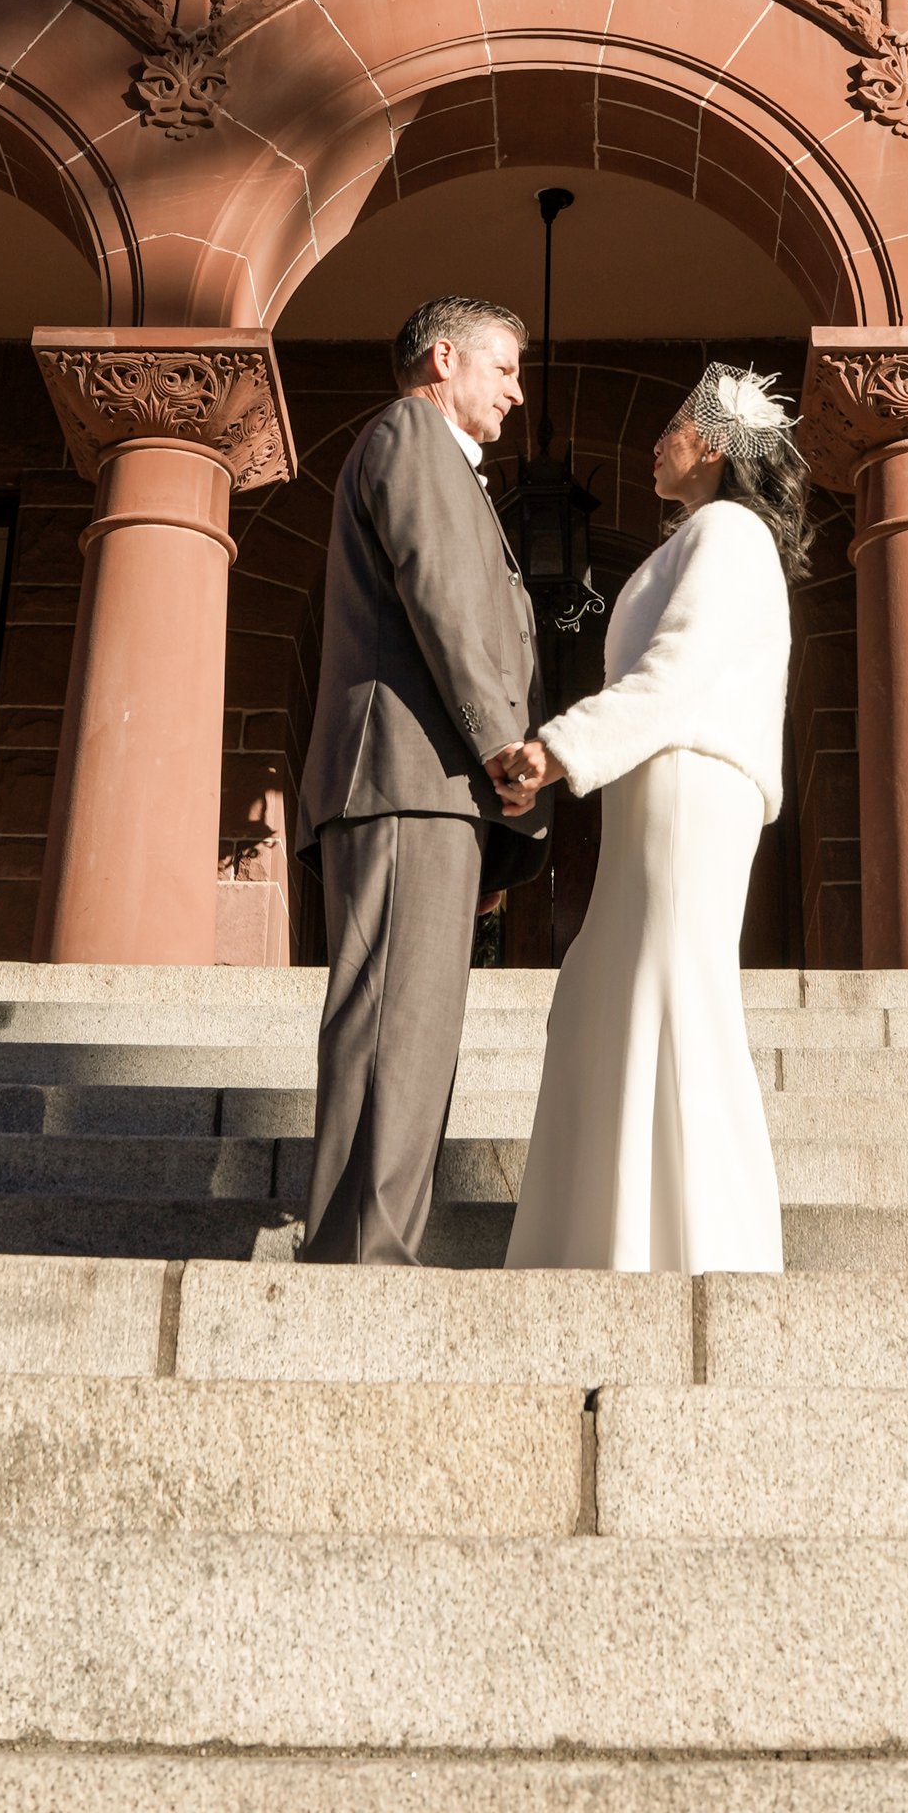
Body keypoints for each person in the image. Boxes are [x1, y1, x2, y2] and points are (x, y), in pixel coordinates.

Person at [494, 363, 802, 1275]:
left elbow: (676, 671)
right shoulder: (704, 536)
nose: (654, 441)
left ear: (709, 442)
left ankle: (699, 1249)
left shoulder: (727, 530)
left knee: (673, 991)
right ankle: (608, 1240)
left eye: (670, 426)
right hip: (659, 786)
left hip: (688, 785)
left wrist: (558, 748)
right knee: (608, 991)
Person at [296, 295, 549, 1265]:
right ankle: (360, 1254)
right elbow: (441, 592)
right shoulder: (412, 433)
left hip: (431, 791)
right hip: (410, 776)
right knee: (394, 1021)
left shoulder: (437, 457)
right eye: (504, 368)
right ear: (443, 359)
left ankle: (370, 1242)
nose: (516, 392)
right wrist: (499, 745)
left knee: (414, 1023)